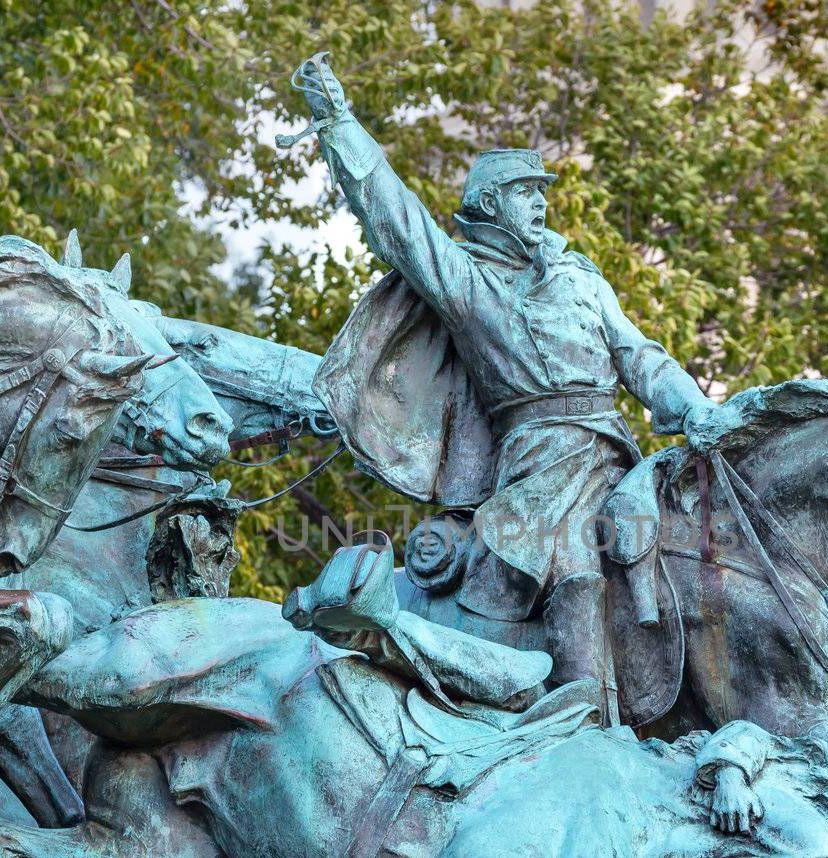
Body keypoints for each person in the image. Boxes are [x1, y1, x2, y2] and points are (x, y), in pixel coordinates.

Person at [297, 54, 725, 719]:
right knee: (573, 567)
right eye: (528, 192)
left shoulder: (581, 277)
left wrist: (697, 408)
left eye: (544, 193)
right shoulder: (471, 283)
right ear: (491, 203)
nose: (542, 204)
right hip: (538, 469)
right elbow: (397, 223)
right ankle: (580, 720)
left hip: (616, 458)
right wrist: (339, 122)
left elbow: (642, 359)